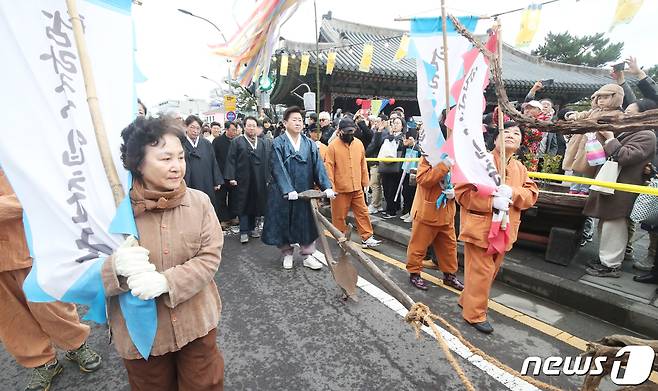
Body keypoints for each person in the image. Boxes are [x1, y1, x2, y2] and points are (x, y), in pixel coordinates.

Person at [105, 115, 224, 389]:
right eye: (165, 158)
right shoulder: (114, 212)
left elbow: (209, 257)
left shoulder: (200, 202)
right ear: (138, 163)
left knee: (204, 383)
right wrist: (114, 269)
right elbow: (84, 270)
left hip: (196, 324)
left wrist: (166, 281)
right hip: (143, 337)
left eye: (180, 157)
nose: (177, 167)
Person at [0, 168, 102, 391]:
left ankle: (76, 345)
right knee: (12, 319)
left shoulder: (13, 156)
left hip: (29, 249)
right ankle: (43, 362)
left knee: (51, 305)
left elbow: (34, 197)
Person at [455, 123, 539, 334]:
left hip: (506, 229)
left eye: (516, 133)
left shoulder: (520, 168)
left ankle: (468, 299)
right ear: (494, 140)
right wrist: (492, 202)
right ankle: (474, 314)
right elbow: (462, 194)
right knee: (482, 272)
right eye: (506, 131)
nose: (511, 135)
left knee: (488, 272)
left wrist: (512, 192)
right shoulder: (480, 162)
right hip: (480, 228)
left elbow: (531, 195)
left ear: (520, 143)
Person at [584, 101, 657, 277]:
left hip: (623, 189)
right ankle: (606, 260)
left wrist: (610, 138)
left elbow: (624, 156)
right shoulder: (631, 131)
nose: (625, 115)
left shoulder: (647, 135)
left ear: (644, 115)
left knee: (614, 225)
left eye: (630, 112)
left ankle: (611, 265)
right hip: (615, 187)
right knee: (608, 224)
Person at [262, 106, 336, 270]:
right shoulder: (277, 143)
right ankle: (287, 253)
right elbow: (277, 167)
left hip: (304, 191)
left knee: (306, 223)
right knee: (283, 222)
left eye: (300, 120)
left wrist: (327, 187)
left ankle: (308, 255)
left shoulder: (309, 144)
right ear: (285, 123)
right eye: (294, 120)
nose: (298, 123)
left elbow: (318, 166)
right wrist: (287, 189)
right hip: (282, 192)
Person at [405, 156, 464, 291]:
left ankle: (449, 275)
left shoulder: (458, 158)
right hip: (427, 212)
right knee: (418, 246)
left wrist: (455, 192)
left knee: (449, 248)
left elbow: (462, 179)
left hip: (447, 213)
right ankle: (414, 273)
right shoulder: (427, 157)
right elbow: (423, 179)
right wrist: (444, 165)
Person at [325, 117, 382, 248]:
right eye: (346, 132)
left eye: (351, 131)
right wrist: (331, 187)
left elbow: (363, 164)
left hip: (357, 186)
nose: (349, 134)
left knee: (363, 212)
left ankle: (367, 237)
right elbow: (329, 168)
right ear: (339, 131)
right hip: (339, 189)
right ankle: (341, 237)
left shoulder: (359, 144)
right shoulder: (333, 146)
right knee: (339, 216)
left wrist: (365, 183)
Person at [224, 116, 271, 244]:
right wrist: (231, 177)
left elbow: (267, 161)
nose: (251, 128)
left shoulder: (263, 142)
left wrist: (268, 177)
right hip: (242, 179)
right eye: (249, 125)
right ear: (244, 127)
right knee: (243, 204)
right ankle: (244, 231)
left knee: (256, 203)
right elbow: (231, 160)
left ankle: (252, 228)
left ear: (257, 128)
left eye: (253, 125)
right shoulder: (237, 142)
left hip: (259, 178)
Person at [181, 115, 223, 210]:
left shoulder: (206, 143)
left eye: (198, 128)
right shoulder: (181, 143)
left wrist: (216, 180)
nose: (195, 131)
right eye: (192, 127)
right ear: (186, 127)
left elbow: (213, 162)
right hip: (189, 181)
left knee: (207, 205)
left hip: (206, 180)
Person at [212, 121, 240, 229]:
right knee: (221, 198)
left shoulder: (237, 141)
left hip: (234, 174)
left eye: (235, 130)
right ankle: (223, 219)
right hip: (221, 174)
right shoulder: (217, 141)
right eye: (232, 130)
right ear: (226, 130)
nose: (234, 132)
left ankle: (233, 216)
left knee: (234, 197)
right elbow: (213, 158)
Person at [378, 117, 406, 218]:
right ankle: (389, 207)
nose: (395, 125)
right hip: (386, 165)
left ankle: (392, 210)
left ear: (402, 126)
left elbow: (401, 148)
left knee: (393, 188)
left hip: (396, 166)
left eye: (398, 123)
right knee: (385, 187)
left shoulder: (403, 137)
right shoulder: (388, 135)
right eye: (394, 123)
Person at [365, 114, 388, 214]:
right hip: (373, 160)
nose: (375, 123)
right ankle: (376, 204)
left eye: (377, 121)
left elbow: (375, 144)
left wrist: (378, 131)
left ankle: (375, 204)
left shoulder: (384, 132)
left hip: (377, 161)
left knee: (375, 184)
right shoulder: (376, 131)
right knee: (375, 184)